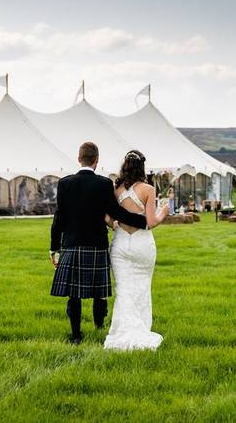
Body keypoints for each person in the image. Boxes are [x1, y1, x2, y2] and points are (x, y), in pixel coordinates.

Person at [49, 142, 154, 345]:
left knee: (74, 294)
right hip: (96, 245)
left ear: (79, 158)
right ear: (96, 160)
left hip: (72, 245)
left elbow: (58, 219)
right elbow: (117, 213)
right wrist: (145, 222)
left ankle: (76, 335)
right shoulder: (104, 184)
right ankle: (99, 327)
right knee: (99, 293)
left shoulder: (64, 183)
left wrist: (54, 247)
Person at [103, 150, 169, 351]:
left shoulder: (115, 189)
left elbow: (107, 217)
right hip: (142, 245)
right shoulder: (148, 189)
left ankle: (122, 331)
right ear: (142, 168)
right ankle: (140, 329)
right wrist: (163, 213)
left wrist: (113, 225)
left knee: (123, 290)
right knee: (142, 288)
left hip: (121, 244)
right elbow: (150, 222)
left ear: (124, 166)